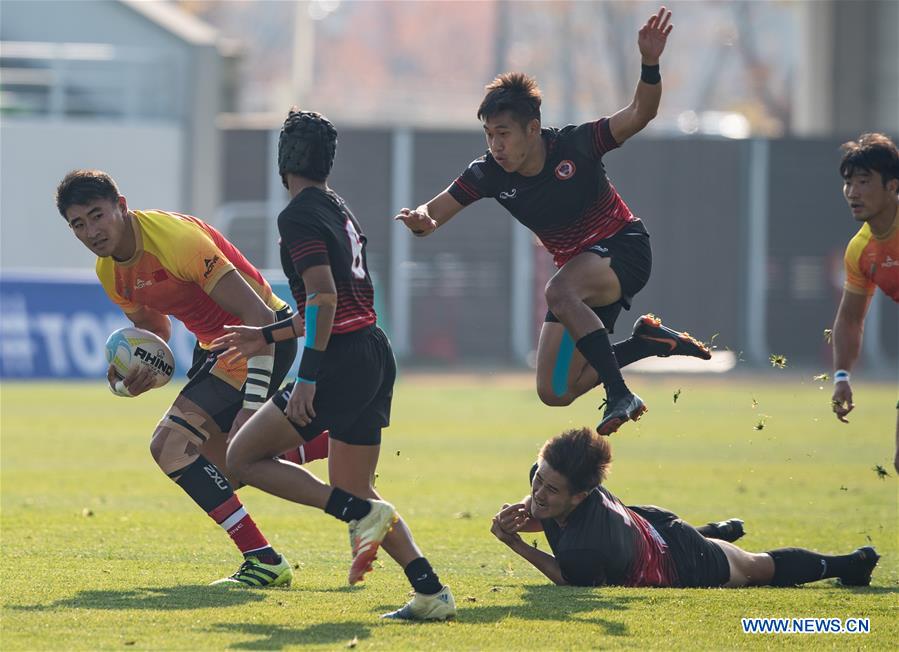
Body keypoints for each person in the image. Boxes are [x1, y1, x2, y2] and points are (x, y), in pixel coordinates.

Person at [395, 7, 710, 436]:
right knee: (555, 390)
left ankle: (620, 394)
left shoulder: (576, 145)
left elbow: (641, 113)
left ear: (533, 129)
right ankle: (645, 343)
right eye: (488, 134)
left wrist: (649, 63)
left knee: (557, 289)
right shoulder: (488, 173)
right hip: (580, 280)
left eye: (503, 133)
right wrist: (419, 219)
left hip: (625, 249)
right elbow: (434, 215)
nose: (495, 144)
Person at [212, 109, 456, 621]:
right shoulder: (337, 208)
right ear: (328, 163)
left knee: (242, 459)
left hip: (339, 361)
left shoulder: (297, 215)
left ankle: (358, 516)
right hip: (371, 351)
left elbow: (322, 300)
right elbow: (329, 303)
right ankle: (430, 592)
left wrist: (307, 375)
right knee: (354, 483)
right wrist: (267, 335)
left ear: (284, 162)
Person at [56, 170, 329, 587]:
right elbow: (157, 332)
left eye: (98, 215)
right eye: (79, 224)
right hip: (215, 349)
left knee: (169, 446)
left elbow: (258, 317)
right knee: (223, 472)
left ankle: (263, 560)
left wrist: (252, 408)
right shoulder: (110, 273)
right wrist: (137, 368)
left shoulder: (176, 241)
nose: (92, 231)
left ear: (122, 206)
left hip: (258, 337)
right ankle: (334, 439)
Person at [491, 428, 880, 588]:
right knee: (710, 541)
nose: (538, 491)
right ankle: (713, 530)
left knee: (755, 567)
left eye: (550, 489)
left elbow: (567, 577)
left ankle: (849, 564)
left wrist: (516, 544)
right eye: (537, 479)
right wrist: (523, 513)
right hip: (645, 522)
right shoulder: (559, 482)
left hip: (679, 557)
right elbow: (545, 512)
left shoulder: (585, 547)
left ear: (579, 495)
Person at [830, 133, 899, 473]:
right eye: (848, 183)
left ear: (892, 186)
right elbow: (850, 319)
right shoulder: (861, 250)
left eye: (863, 181)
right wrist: (841, 375)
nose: (853, 192)